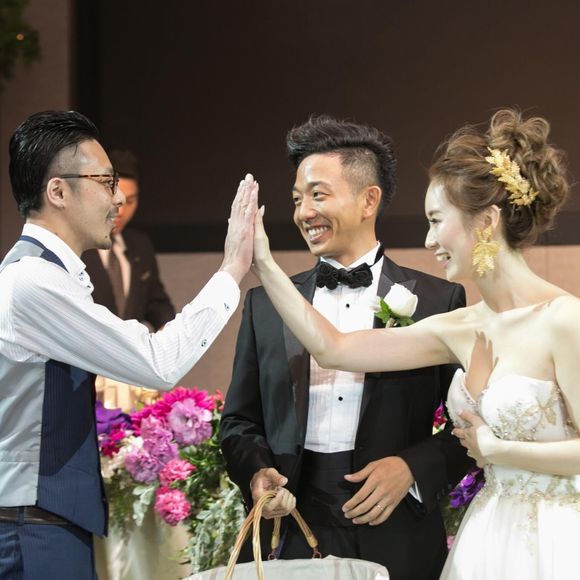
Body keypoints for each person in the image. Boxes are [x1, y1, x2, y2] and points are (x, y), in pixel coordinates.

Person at [251, 108, 580, 580]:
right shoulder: (459, 326)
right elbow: (333, 349)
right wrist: (264, 263)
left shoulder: (565, 320)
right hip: (489, 535)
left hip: (558, 538)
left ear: (486, 221)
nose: (427, 240)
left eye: (436, 221)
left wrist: (496, 449)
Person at [0, 110, 258, 580]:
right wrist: (232, 269)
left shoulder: (44, 274)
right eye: (105, 181)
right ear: (57, 192)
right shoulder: (33, 281)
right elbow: (158, 362)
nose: (118, 197)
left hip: (43, 520)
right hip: (31, 525)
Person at [220, 116, 472, 580]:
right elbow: (239, 421)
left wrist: (411, 468)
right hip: (295, 523)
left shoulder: (438, 301)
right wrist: (257, 474)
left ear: (368, 200)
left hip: (396, 525)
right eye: (297, 199)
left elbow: (470, 425)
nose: (303, 213)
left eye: (318, 195)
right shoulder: (266, 305)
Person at [83, 149, 175, 330]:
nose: (121, 211)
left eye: (130, 201)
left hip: (131, 347)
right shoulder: (76, 244)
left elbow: (156, 302)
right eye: (114, 199)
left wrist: (167, 328)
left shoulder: (140, 245)